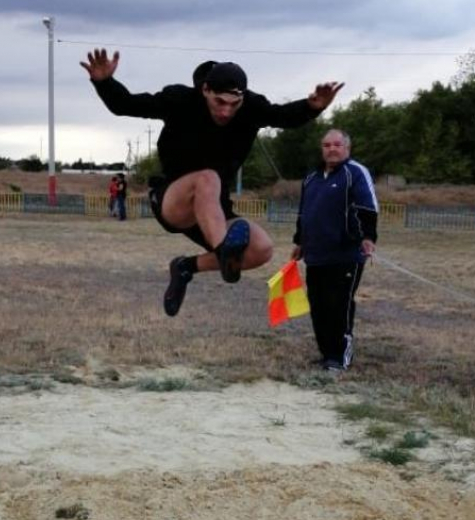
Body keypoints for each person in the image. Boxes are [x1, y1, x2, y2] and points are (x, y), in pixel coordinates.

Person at [80, 49, 343, 316]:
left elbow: (283, 116)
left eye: (233, 104)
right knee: (208, 177)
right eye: (219, 102)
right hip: (175, 199)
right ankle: (224, 250)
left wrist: (313, 107)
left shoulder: (251, 107)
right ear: (205, 90)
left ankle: (186, 267)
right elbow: (127, 105)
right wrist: (104, 82)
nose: (226, 111)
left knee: (261, 249)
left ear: (242, 97)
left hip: (213, 209)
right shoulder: (180, 100)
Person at [290, 129, 378, 373]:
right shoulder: (311, 178)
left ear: (346, 148)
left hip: (346, 253)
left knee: (338, 304)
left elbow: (367, 206)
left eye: (337, 144)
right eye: (326, 145)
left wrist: (368, 236)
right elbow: (304, 212)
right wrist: (300, 241)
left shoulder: (355, 173)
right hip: (316, 255)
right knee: (318, 305)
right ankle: (326, 353)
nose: (331, 149)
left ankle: (340, 357)